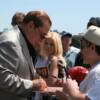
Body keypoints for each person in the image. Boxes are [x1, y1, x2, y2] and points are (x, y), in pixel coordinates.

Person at [0, 10, 52, 100]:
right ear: (31, 26)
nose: (42, 41)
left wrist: (39, 79)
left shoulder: (23, 40)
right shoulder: (10, 41)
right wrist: (32, 84)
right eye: (42, 36)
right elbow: (2, 78)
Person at [58, 26, 100, 100]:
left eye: (82, 46)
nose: (80, 51)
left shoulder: (97, 72)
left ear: (92, 47)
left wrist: (72, 89)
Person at [34, 32, 66, 100]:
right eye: (46, 43)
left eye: (52, 44)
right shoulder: (41, 59)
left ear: (57, 46)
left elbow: (50, 84)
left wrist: (37, 79)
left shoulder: (57, 61)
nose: (48, 46)